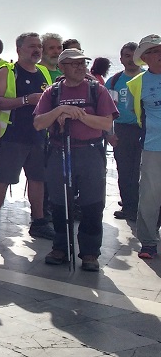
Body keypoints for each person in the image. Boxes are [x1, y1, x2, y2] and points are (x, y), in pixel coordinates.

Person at [33, 49, 117, 271]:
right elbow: (39, 123)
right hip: (59, 152)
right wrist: (60, 109)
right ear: (62, 67)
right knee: (60, 204)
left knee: (92, 204)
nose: (81, 67)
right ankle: (60, 246)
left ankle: (90, 253)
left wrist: (79, 115)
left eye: (83, 63)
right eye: (74, 64)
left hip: (90, 153)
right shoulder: (52, 93)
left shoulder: (97, 90)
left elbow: (107, 124)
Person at [0, 32, 54, 242]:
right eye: (32, 46)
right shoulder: (8, 71)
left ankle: (39, 221)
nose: (37, 50)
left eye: (39, 47)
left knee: (38, 179)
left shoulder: (44, 72)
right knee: (3, 179)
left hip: (38, 136)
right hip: (13, 136)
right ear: (19, 49)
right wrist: (25, 100)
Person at [127, 35, 161, 260]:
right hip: (152, 146)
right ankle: (148, 242)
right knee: (150, 195)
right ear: (146, 57)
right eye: (155, 51)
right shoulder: (137, 83)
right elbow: (133, 111)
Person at [107, 42, 145, 221]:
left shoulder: (149, 78)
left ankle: (146, 208)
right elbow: (107, 111)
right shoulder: (114, 82)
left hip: (146, 130)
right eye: (127, 56)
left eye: (134, 55)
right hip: (123, 131)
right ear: (121, 59)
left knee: (147, 172)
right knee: (125, 171)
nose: (131, 60)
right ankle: (129, 207)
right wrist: (109, 134)